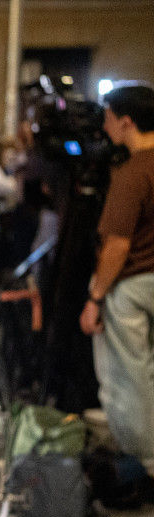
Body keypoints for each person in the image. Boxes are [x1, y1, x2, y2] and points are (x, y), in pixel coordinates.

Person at [79, 84, 154, 481]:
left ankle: (142, 463)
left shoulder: (132, 173)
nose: (103, 125)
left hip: (134, 287)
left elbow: (117, 245)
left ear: (126, 122)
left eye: (107, 117)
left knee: (130, 378)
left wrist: (95, 297)